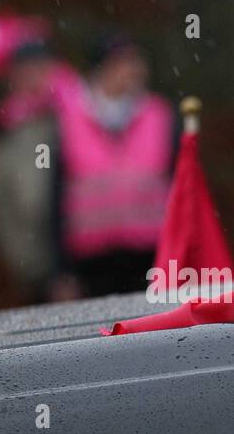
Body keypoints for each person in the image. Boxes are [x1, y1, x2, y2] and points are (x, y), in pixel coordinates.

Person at [54, 33, 175, 298]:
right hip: (90, 263)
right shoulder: (68, 118)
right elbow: (55, 198)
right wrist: (61, 271)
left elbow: (179, 186)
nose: (134, 70)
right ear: (102, 69)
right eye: (124, 62)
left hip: (150, 258)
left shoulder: (159, 114)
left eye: (135, 61)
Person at [0, 40, 72, 304]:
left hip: (83, 259)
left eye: (39, 68)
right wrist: (30, 265)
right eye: (25, 70)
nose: (33, 77)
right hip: (35, 267)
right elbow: (8, 205)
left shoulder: (77, 115)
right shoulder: (9, 129)